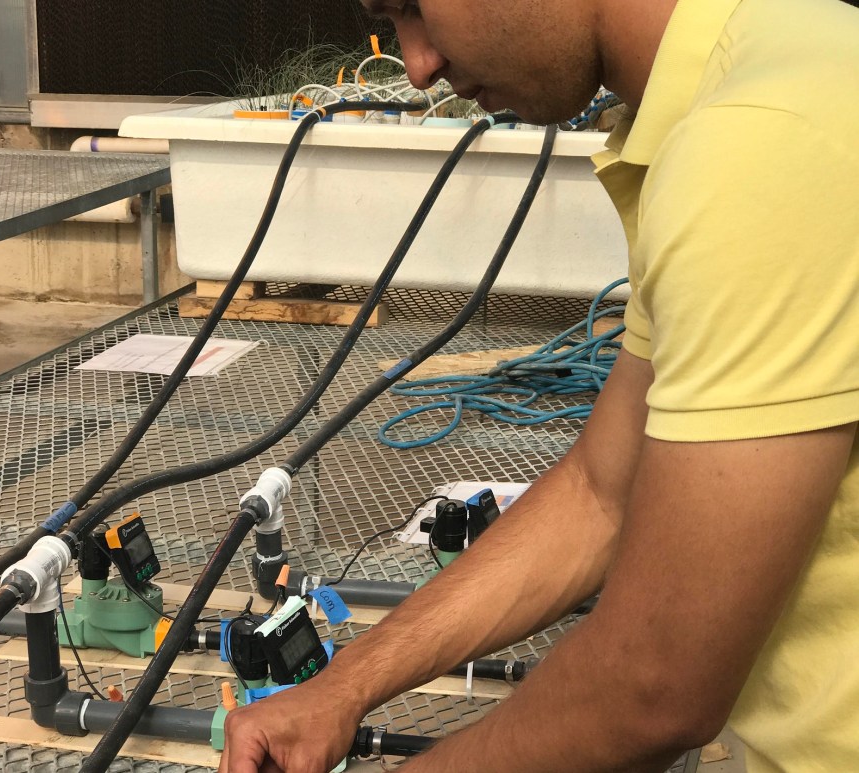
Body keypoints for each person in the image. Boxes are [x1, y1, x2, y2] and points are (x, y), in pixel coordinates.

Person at [220, 0, 859, 770]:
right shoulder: (783, 63)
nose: (418, 66)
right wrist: (343, 686)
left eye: (414, 9)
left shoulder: (760, 141)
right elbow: (601, 490)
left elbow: (657, 682)